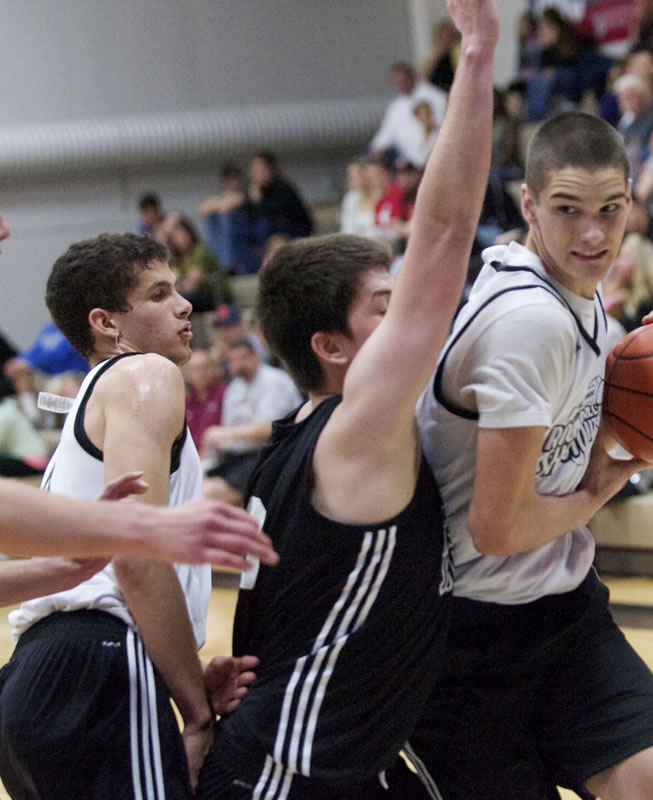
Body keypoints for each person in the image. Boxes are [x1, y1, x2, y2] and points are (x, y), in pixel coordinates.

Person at [0, 127, 275, 799]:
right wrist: (136, 532)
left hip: (17, 686)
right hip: (88, 667)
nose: (3, 228)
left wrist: (72, 560)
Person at [194, 1, 499, 796]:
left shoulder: (294, 437)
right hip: (292, 770)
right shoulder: (357, 431)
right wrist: (476, 56)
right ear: (331, 348)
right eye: (382, 307)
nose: (406, 318)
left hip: (325, 758)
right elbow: (441, 237)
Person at [409, 111, 653, 799]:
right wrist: (603, 488)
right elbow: (495, 531)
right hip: (465, 641)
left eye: (610, 209)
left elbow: (575, 435)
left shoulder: (583, 306)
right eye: (568, 210)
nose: (594, 232)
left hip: (564, 614)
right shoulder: (529, 320)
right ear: (528, 204)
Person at [0, 234, 259, 799]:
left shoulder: (90, 404)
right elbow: (135, 560)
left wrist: (175, 675)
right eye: (160, 294)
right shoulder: (144, 375)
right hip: (99, 668)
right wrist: (196, 710)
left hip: (38, 678)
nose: (185, 305)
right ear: (107, 324)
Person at [200, 338, 300, 507]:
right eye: (233, 360)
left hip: (272, 456)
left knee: (207, 494)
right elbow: (227, 435)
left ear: (256, 357)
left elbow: (270, 428)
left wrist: (224, 433)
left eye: (243, 358)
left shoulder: (273, 381)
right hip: (238, 458)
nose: (239, 364)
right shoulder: (234, 389)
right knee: (196, 483)